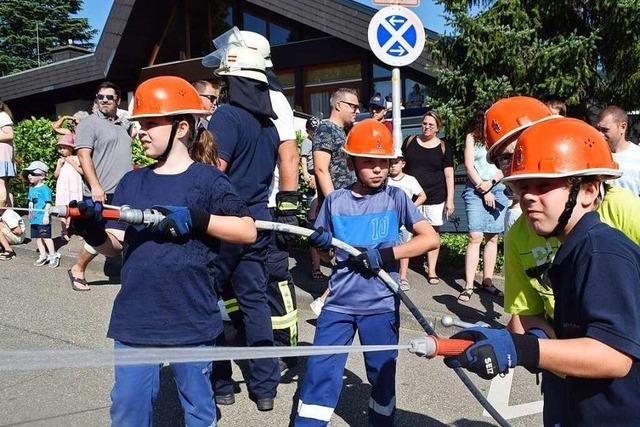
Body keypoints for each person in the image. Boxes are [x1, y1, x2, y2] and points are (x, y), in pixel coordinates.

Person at [69, 75, 255, 426]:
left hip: (191, 317)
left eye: (151, 123)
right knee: (128, 409)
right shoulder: (133, 181)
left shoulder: (208, 180)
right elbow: (114, 246)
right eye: (139, 124)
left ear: (181, 127)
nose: (141, 131)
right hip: (136, 319)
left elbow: (246, 230)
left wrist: (199, 219)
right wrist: (93, 230)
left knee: (199, 411)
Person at [445, 118, 640, 426]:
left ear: (588, 191)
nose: (529, 197)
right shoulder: (572, 248)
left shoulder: (600, 251)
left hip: (611, 411)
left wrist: (522, 349)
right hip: (576, 399)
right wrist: (507, 337)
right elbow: (536, 320)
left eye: (545, 185)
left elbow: (613, 356)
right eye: (523, 186)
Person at [295, 119, 439, 426]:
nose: (378, 169)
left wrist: (387, 254)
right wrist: (321, 246)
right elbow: (327, 252)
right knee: (321, 370)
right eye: (369, 163)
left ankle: (381, 421)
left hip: (380, 305)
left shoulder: (397, 198)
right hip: (339, 304)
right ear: (350, 163)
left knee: (381, 373)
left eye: (383, 163)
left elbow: (430, 238)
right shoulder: (335, 201)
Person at [204, 43, 296, 411]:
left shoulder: (225, 117)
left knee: (211, 302)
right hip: (258, 222)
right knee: (255, 303)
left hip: (225, 223)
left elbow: (213, 174)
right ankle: (265, 388)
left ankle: (222, 382)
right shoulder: (269, 125)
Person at [69, 81, 132, 291]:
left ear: (118, 100)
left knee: (120, 237)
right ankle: (77, 269)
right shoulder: (89, 123)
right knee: (107, 238)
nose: (104, 100)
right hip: (102, 193)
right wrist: (95, 186)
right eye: (100, 97)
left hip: (123, 192)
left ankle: (131, 276)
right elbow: (83, 154)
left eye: (109, 97)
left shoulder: (122, 127)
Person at [309, 88, 358, 315]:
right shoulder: (327, 129)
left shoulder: (344, 131)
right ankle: (324, 302)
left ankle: (328, 301)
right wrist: (334, 203)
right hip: (337, 204)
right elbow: (321, 168)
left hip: (348, 202)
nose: (356, 111)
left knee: (346, 256)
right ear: (338, 105)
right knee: (344, 255)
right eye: (353, 106)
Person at [459, 109, 507, 302]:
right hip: (475, 188)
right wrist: (484, 189)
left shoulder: (502, 136)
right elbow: (469, 165)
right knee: (475, 236)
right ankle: (469, 285)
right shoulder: (472, 136)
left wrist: (492, 184)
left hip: (497, 187)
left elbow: (507, 164)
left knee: (492, 237)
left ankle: (487, 282)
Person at [402, 110, 454, 285]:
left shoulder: (443, 146)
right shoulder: (409, 142)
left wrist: (451, 199)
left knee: (433, 233)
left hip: (436, 196)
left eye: (431, 124)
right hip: (412, 197)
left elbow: (448, 174)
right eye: (424, 123)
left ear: (438, 127)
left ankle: (432, 271)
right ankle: (402, 274)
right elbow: (399, 167)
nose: (426, 127)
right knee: (407, 231)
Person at [387, 155, 426, 291]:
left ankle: (403, 277)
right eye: (390, 162)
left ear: (403, 163)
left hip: (403, 224)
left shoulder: (410, 180)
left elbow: (422, 195)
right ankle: (386, 276)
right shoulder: (384, 180)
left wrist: (409, 209)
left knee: (404, 249)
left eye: (396, 162)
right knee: (387, 247)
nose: (392, 165)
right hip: (388, 221)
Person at [300, 116, 325, 280]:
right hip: (312, 177)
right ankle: (316, 266)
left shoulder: (322, 142)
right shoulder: (307, 143)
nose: (314, 134)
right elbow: (303, 162)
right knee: (314, 221)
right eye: (312, 131)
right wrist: (308, 177)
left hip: (321, 177)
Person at [596, 106, 640, 196]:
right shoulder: (594, 155)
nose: (599, 134)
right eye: (598, 129)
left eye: (605, 130)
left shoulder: (637, 157)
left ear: (622, 127)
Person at [24, 161, 60, 267]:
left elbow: (48, 203)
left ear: (42, 176)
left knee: (46, 237)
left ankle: (53, 255)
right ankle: (43, 255)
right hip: (34, 217)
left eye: (33, 173)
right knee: (37, 237)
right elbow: (31, 201)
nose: (30, 176)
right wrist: (30, 211)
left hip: (42, 217)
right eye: (29, 173)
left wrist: (45, 216)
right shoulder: (31, 188)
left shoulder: (45, 189)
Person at [53, 134, 83, 241]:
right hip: (63, 187)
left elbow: (82, 171)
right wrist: (59, 166)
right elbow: (56, 175)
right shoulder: (60, 160)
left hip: (74, 186)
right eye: (60, 148)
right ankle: (64, 231)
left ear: (71, 148)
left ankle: (79, 230)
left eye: (64, 148)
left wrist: (73, 163)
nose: (61, 150)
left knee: (76, 208)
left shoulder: (76, 158)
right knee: (63, 209)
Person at [0, 100, 15, 210]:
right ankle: (9, 213)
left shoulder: (2, 116)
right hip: (3, 157)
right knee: (5, 185)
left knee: (1, 184)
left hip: (2, 156)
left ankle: (2, 213)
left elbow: (10, 135)